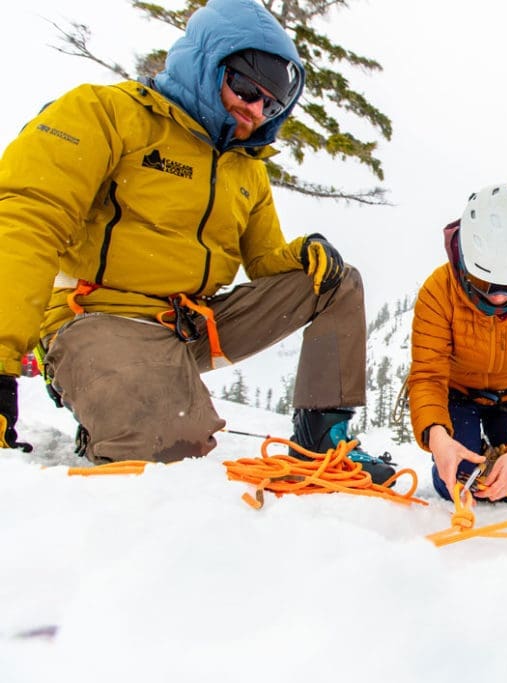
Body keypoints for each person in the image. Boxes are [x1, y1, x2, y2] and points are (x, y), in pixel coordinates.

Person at [0, 0, 394, 483]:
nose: (254, 108)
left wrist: (299, 256)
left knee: (334, 281)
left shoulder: (245, 168)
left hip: (189, 324)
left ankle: (321, 438)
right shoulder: (107, 114)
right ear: (204, 63)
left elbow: (264, 259)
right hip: (99, 316)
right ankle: (114, 416)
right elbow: (25, 219)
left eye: (269, 102)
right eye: (246, 87)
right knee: (173, 452)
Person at [408, 184, 507, 504]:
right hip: (456, 394)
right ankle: (473, 451)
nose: (498, 296)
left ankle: (498, 455)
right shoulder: (439, 291)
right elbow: (427, 376)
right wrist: (438, 437)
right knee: (455, 481)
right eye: (484, 282)